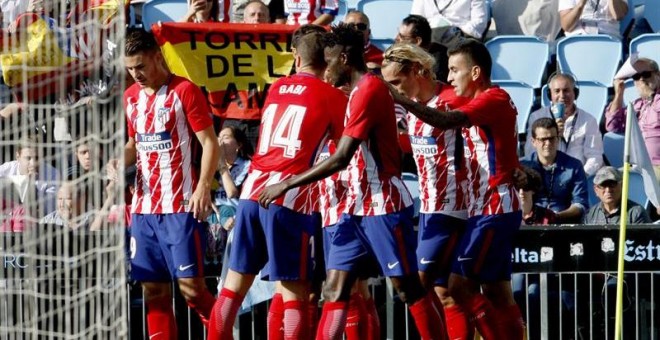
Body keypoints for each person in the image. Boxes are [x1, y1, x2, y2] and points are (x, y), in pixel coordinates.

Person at [259, 24, 446, 340]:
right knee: (334, 292)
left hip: (381, 203)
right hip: (350, 207)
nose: (326, 68)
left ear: (344, 58)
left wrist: (287, 184)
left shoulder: (371, 89)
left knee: (408, 289)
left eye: (329, 61)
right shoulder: (351, 93)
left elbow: (343, 156)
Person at [207, 31, 348, 340]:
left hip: (252, 191)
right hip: (289, 198)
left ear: (296, 59)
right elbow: (341, 152)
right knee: (295, 294)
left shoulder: (277, 87)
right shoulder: (333, 96)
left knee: (232, 289)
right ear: (326, 61)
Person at [389, 38, 525, 339]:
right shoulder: (475, 99)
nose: (449, 77)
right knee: (495, 291)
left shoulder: (492, 98)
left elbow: (447, 119)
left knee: (453, 287)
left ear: (475, 72)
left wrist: (403, 100)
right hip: (480, 207)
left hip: (491, 207)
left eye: (454, 70)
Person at [120, 28, 220, 339]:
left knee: (192, 290)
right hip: (144, 210)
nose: (135, 74)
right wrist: (113, 161)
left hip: (180, 207)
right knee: (153, 292)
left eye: (140, 66)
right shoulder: (130, 98)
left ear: (156, 56)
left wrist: (204, 185)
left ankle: (224, 333)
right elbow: (133, 144)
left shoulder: (185, 91)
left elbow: (210, 143)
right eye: (129, 68)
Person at [381, 43, 474, 339]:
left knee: (416, 285)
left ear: (418, 71)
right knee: (446, 292)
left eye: (397, 82)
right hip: (430, 209)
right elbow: (420, 147)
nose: (394, 90)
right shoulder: (414, 108)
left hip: (452, 209)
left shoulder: (451, 101)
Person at [525, 73, 604, 177]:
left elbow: (595, 156)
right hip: (546, 177)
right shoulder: (536, 117)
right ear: (550, 94)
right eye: (557, 91)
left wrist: (579, 177)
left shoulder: (589, 120)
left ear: (575, 93)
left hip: (578, 177)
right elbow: (531, 152)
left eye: (566, 90)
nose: (562, 96)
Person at [523, 118, 589, 224]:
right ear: (533, 142)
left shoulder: (574, 166)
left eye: (552, 138)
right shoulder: (523, 166)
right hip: (530, 223)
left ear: (558, 139)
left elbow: (580, 204)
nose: (548, 143)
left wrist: (555, 217)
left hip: (564, 224)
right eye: (543, 139)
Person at [606, 57, 660, 182]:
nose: (641, 79)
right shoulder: (636, 105)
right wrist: (619, 93)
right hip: (638, 166)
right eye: (636, 77)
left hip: (657, 166)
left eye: (646, 74)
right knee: (610, 180)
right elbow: (612, 125)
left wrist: (651, 95)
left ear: (658, 75)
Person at [0, 136, 59, 217]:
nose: (33, 163)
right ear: (18, 156)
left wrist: (30, 185)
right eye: (28, 158)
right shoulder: (6, 169)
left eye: (37, 158)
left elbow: (48, 209)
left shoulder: (53, 174)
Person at [583, 166, 651, 224]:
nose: (608, 190)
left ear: (622, 186)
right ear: (596, 190)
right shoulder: (590, 215)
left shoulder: (636, 213)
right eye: (603, 185)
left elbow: (644, 239)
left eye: (612, 185)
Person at [395, 14, 449, 82]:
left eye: (402, 37)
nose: (396, 38)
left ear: (417, 41)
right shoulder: (407, 55)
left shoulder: (437, 65)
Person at [410, 0, 489, 43]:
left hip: (460, 36)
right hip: (430, 36)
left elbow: (479, 22)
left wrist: (458, 32)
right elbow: (416, 20)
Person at [559, 0, 628, 39]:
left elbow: (619, 15)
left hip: (608, 37)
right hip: (578, 37)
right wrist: (581, 4)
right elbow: (566, 26)